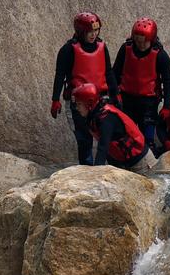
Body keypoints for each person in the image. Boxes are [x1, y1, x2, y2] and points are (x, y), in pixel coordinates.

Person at [51, 12, 120, 165]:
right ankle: (86, 167)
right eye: (90, 31)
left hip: (101, 99)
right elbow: (60, 75)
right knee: (84, 138)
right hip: (79, 102)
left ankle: (111, 167)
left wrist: (116, 94)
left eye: (96, 31)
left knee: (107, 135)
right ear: (81, 31)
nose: (93, 35)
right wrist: (55, 99)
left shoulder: (102, 47)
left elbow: (108, 72)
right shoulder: (68, 49)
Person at [113, 17, 170, 150]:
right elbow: (115, 72)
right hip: (127, 98)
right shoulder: (126, 48)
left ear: (151, 40)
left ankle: (149, 162)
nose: (140, 45)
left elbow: (167, 82)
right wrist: (114, 93)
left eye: (144, 42)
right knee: (126, 137)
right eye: (138, 42)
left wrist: (167, 106)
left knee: (148, 140)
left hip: (149, 102)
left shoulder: (160, 55)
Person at [70, 83, 155, 172]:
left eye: (79, 104)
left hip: (141, 161)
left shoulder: (107, 118)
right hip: (124, 161)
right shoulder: (93, 116)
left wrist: (95, 173)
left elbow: (103, 147)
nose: (77, 108)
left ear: (89, 104)